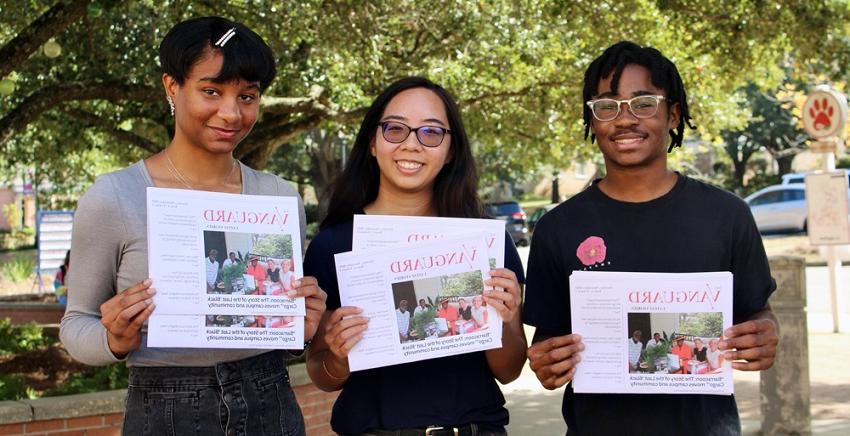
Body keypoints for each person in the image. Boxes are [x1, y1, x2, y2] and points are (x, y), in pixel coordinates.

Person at [59, 17, 327, 436]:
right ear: (172, 87)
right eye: (211, 91)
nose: (230, 112)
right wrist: (114, 340)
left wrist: (302, 328)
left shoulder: (278, 197)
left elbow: (280, 336)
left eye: (247, 96)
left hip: (269, 400)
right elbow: (76, 326)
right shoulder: (115, 196)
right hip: (163, 408)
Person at [523, 41, 778, 435]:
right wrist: (545, 362)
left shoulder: (727, 216)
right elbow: (549, 342)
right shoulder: (558, 228)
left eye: (643, 103)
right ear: (592, 121)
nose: (624, 119)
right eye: (607, 106)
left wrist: (765, 334)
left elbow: (757, 312)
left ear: (673, 114)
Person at [303, 76, 526, 435]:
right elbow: (322, 376)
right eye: (395, 129)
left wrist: (503, 319)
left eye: (431, 133)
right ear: (373, 143)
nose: (411, 145)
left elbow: (509, 370)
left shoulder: (486, 242)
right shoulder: (333, 245)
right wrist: (339, 355)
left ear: (451, 150)